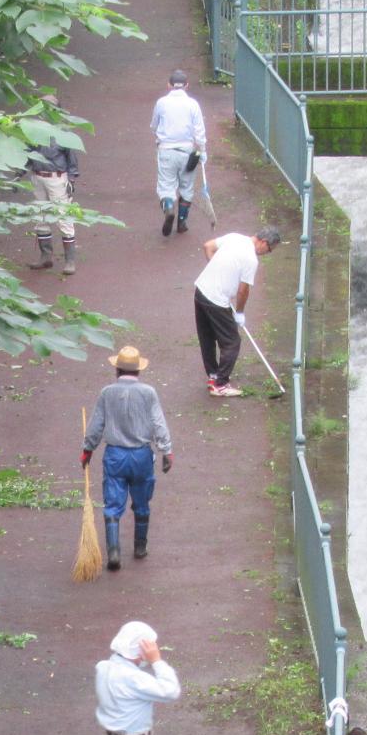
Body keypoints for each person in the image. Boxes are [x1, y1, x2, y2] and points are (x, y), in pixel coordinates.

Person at [82, 345, 172, 568]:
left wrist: (87, 450)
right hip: (141, 455)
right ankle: (140, 547)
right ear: (138, 371)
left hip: (115, 455)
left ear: (117, 370)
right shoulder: (149, 393)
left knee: (112, 504)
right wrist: (166, 450)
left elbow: (96, 425)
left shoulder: (107, 393)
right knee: (142, 502)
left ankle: (113, 552)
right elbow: (158, 423)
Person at [192, 225, 282, 397]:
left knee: (207, 337)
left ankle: (212, 376)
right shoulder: (251, 260)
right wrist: (239, 312)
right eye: (269, 249)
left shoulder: (234, 237)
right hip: (216, 300)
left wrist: (218, 272)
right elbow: (243, 291)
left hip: (201, 290)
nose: (267, 253)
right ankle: (221, 383)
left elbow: (208, 246)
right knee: (232, 342)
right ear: (263, 242)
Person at [148, 69, 206, 238]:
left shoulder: (161, 103)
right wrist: (202, 150)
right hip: (187, 151)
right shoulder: (193, 104)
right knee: (186, 187)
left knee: (166, 185)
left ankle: (168, 208)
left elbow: (154, 125)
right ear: (187, 86)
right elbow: (199, 131)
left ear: (169, 85)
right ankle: (181, 221)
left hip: (166, 149)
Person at [25, 136, 80, 276]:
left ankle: (70, 261)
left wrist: (72, 180)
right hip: (38, 177)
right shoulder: (34, 135)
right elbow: (27, 156)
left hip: (57, 179)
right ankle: (45, 257)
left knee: (63, 217)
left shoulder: (63, 137)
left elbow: (72, 160)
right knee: (41, 216)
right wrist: (18, 173)